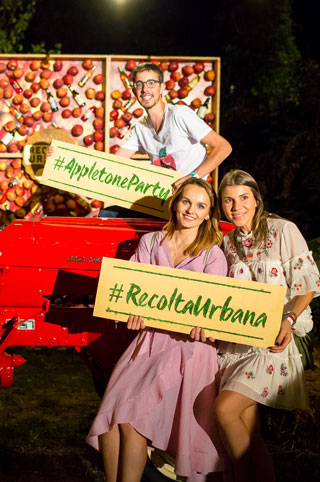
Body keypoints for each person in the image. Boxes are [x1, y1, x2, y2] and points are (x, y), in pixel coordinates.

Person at [86, 178, 228, 482]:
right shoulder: (150, 242)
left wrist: (206, 326)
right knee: (111, 418)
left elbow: (214, 308)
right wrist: (131, 313)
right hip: (149, 339)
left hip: (187, 347)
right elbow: (131, 290)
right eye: (186, 201)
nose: (191, 210)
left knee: (132, 420)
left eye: (200, 205)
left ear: (208, 214)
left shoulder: (211, 254)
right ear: (175, 203)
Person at [215, 169, 319, 482]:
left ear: (257, 200)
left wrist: (289, 320)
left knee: (224, 410)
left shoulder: (283, 230)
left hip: (274, 342)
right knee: (250, 435)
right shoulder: (227, 242)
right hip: (238, 344)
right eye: (228, 200)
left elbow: (307, 286)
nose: (236, 206)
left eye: (243, 197)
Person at [115, 62, 232, 190]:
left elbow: (224, 147)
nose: (144, 89)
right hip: (166, 196)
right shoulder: (140, 129)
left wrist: (193, 177)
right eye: (139, 84)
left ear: (162, 88)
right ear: (134, 91)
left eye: (151, 83)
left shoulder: (179, 114)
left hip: (192, 194)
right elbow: (115, 162)